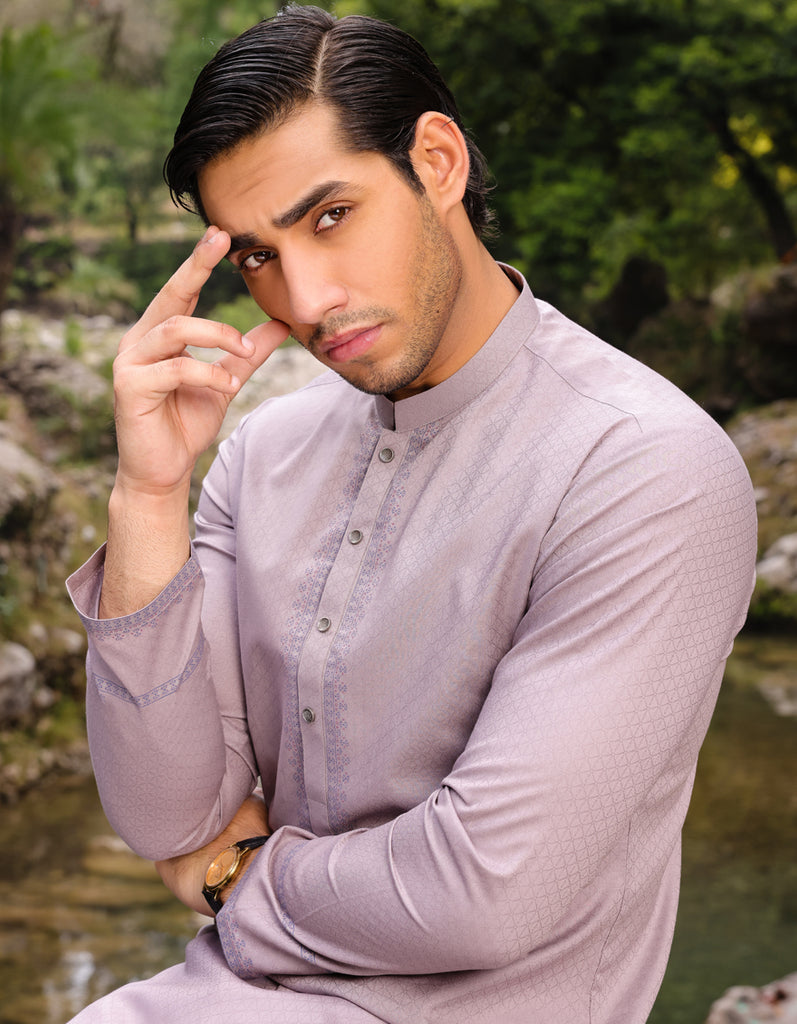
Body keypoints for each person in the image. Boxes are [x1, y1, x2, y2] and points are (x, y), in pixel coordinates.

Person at [66, 5, 758, 1022]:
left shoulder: (644, 467)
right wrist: (149, 494)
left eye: (329, 217)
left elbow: (479, 893)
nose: (305, 298)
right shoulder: (262, 453)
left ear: (437, 161)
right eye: (256, 256)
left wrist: (233, 880)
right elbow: (163, 814)